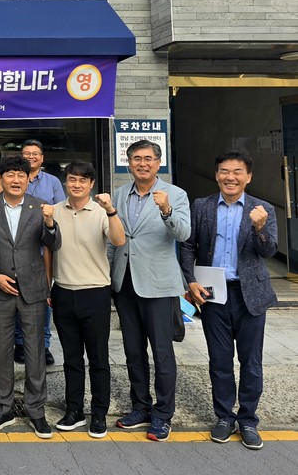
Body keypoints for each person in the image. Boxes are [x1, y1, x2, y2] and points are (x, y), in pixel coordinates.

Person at [180, 150, 278, 450]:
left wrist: (260, 228)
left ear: (248, 177)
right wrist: (190, 281)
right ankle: (224, 417)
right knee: (220, 360)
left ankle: (248, 419)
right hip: (213, 294)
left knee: (251, 362)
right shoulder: (202, 206)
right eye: (224, 171)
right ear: (216, 175)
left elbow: (269, 251)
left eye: (237, 172)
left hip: (250, 295)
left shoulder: (263, 209)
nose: (230, 177)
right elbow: (188, 245)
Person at [109, 139, 191, 442]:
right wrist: (108, 276)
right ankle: (140, 406)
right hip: (125, 281)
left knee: (162, 352)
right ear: (128, 162)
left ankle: (163, 413)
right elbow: (114, 238)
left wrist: (167, 210)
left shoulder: (175, 194)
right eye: (136, 158)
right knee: (133, 351)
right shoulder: (120, 194)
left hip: (158, 284)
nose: (142, 164)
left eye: (148, 159)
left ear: (158, 163)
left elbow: (183, 234)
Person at [0, 155, 61, 438]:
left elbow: (53, 244)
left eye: (21, 176)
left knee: (35, 351)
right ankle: (2, 408)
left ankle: (36, 410)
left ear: (28, 179)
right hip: (0, 288)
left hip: (33, 288)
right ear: (0, 179)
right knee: (0, 350)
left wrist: (50, 223)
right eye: (10, 175)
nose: (16, 180)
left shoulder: (40, 206)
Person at [50, 161, 125, 438]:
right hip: (63, 291)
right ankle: (74, 410)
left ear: (91, 184)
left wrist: (111, 210)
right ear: (66, 182)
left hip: (95, 292)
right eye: (72, 179)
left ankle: (99, 413)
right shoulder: (54, 211)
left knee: (98, 357)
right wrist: (48, 287)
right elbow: (47, 251)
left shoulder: (102, 212)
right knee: (71, 358)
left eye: (83, 180)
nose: (77, 184)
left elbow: (118, 240)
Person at [19, 139, 64, 366]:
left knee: (44, 294)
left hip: (44, 245)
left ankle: (44, 344)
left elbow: (61, 210)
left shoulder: (53, 181)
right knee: (18, 294)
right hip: (19, 245)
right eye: (27, 153)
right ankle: (20, 342)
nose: (31, 157)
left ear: (42, 158)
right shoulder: (15, 177)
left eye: (35, 153)